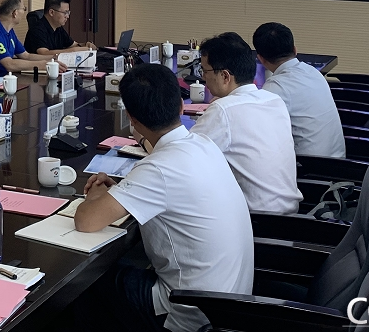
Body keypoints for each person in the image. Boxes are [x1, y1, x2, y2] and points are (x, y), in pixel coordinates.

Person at [72, 64, 253, 332]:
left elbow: (86, 221)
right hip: (231, 303)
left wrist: (98, 193)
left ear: (131, 119)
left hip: (189, 313)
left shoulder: (158, 169)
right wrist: (123, 189)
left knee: (85, 283)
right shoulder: (204, 144)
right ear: (180, 106)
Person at [190, 32, 300, 215]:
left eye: (205, 71)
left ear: (225, 76)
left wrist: (145, 139)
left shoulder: (223, 110)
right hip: (291, 215)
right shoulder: (274, 100)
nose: (203, 78)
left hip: (255, 220)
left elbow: (181, 157)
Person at [253, 22, 347, 158]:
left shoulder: (275, 88)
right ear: (295, 49)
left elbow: (258, 132)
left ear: (260, 59)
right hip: (338, 160)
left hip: (311, 166)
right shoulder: (313, 72)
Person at [0, 0, 63, 78]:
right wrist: (42, 64)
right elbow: (9, 64)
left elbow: (26, 56)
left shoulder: (8, 29)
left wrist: (54, 58)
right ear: (15, 13)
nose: (24, 12)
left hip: (5, 79)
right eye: (24, 9)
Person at [24, 0, 95, 55]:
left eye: (68, 13)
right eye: (65, 13)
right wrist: (73, 50)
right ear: (51, 12)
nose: (67, 16)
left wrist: (85, 45)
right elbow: (44, 53)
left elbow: (73, 45)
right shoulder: (37, 29)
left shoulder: (58, 28)